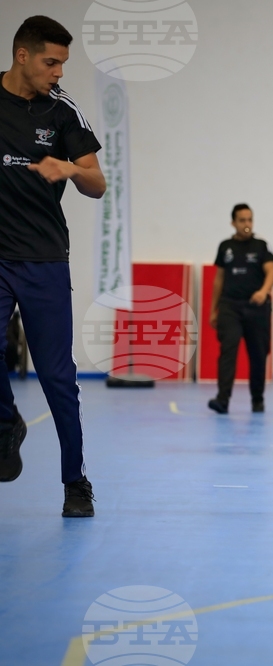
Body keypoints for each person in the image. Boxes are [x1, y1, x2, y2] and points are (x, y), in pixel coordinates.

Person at [0, 17, 106, 517]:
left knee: (58, 377)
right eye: (51, 61)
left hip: (43, 258)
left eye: (63, 62)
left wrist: (69, 168)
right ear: (22, 55)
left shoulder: (63, 111)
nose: (58, 71)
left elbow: (97, 183)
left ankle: (75, 482)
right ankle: (7, 423)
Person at [208, 204, 273, 415]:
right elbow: (219, 279)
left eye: (250, 220)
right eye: (242, 220)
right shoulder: (225, 247)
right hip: (230, 307)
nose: (247, 225)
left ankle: (257, 400)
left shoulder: (261, 246)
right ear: (233, 223)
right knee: (228, 352)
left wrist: (264, 291)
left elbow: (271, 273)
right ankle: (222, 400)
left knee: (258, 355)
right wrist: (214, 310)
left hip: (256, 308)